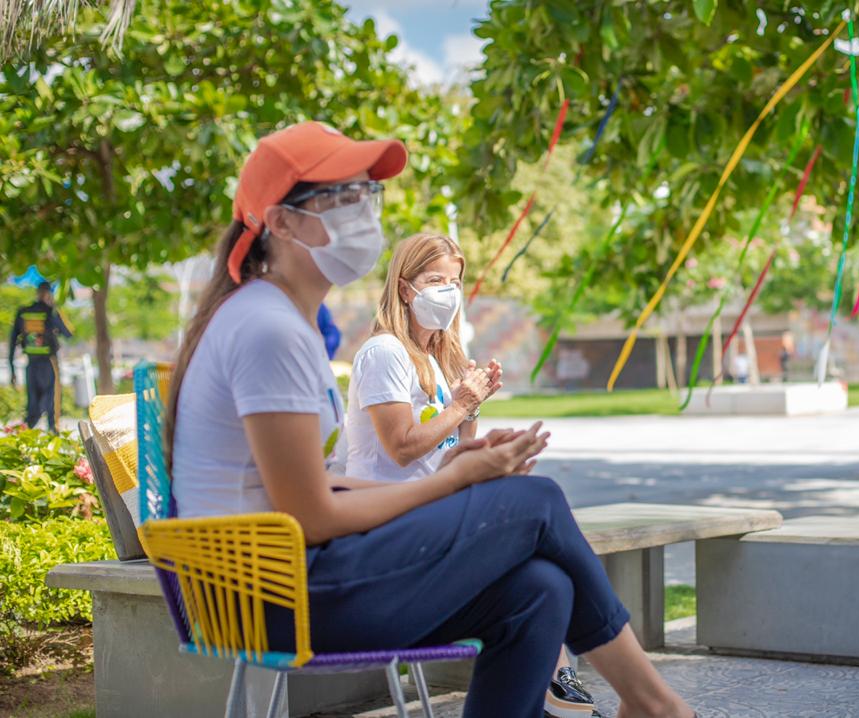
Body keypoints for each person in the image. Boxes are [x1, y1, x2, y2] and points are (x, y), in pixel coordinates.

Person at [166, 121, 694, 718]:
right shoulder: (269, 328)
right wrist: (451, 483)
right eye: (339, 198)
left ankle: (648, 704)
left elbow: (315, 485)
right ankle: (655, 705)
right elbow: (310, 514)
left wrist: (456, 467)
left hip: (289, 581)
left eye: (366, 195)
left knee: (541, 591)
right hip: (278, 596)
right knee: (537, 502)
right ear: (279, 223)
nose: (361, 212)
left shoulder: (278, 320)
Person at [344, 233, 602, 717]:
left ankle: (553, 679)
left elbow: (454, 459)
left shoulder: (440, 361)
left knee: (536, 541)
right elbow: (401, 449)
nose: (448, 291)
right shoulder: (384, 354)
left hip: (430, 510)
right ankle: (564, 678)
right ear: (405, 289)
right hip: (389, 521)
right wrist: (462, 403)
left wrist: (479, 430)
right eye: (434, 280)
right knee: (538, 512)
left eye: (455, 281)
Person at [8, 281, 73, 431]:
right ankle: (51, 437)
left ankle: (22, 439)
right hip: (49, 365)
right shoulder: (51, 311)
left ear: (37, 293)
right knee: (51, 410)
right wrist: (54, 309)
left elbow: (12, 342)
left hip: (31, 365)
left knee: (33, 408)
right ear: (49, 294)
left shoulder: (23, 312)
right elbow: (68, 333)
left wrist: (12, 370)